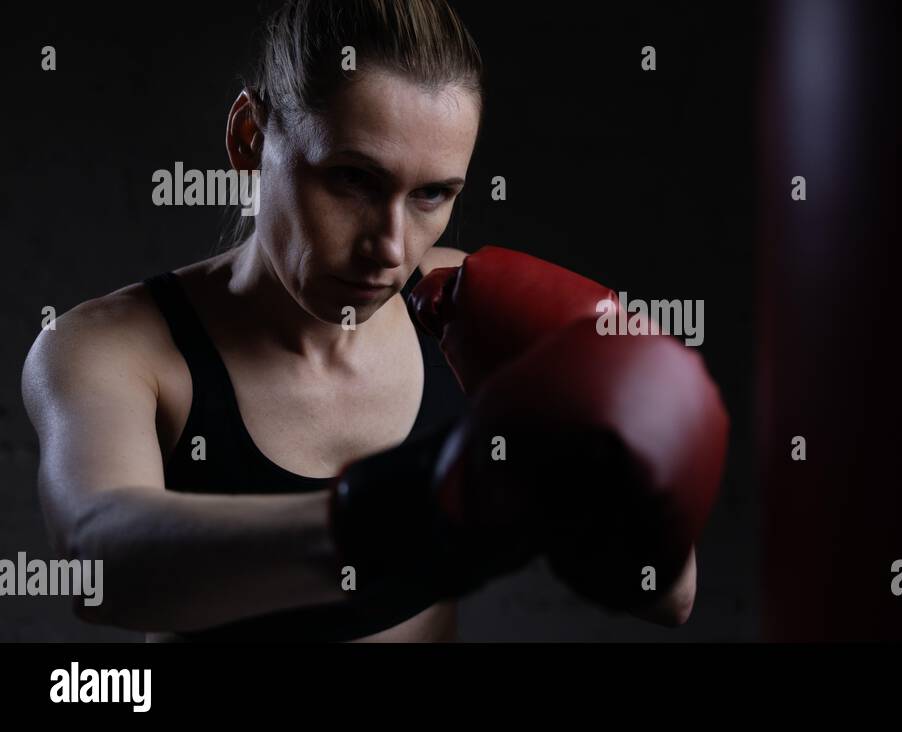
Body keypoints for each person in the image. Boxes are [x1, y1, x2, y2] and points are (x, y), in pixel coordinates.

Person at [20, 0, 726, 642]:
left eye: (432, 194)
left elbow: (670, 596)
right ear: (247, 139)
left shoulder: (469, 304)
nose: (389, 247)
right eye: (354, 179)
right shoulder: (114, 347)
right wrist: (412, 516)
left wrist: (639, 474)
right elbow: (96, 558)